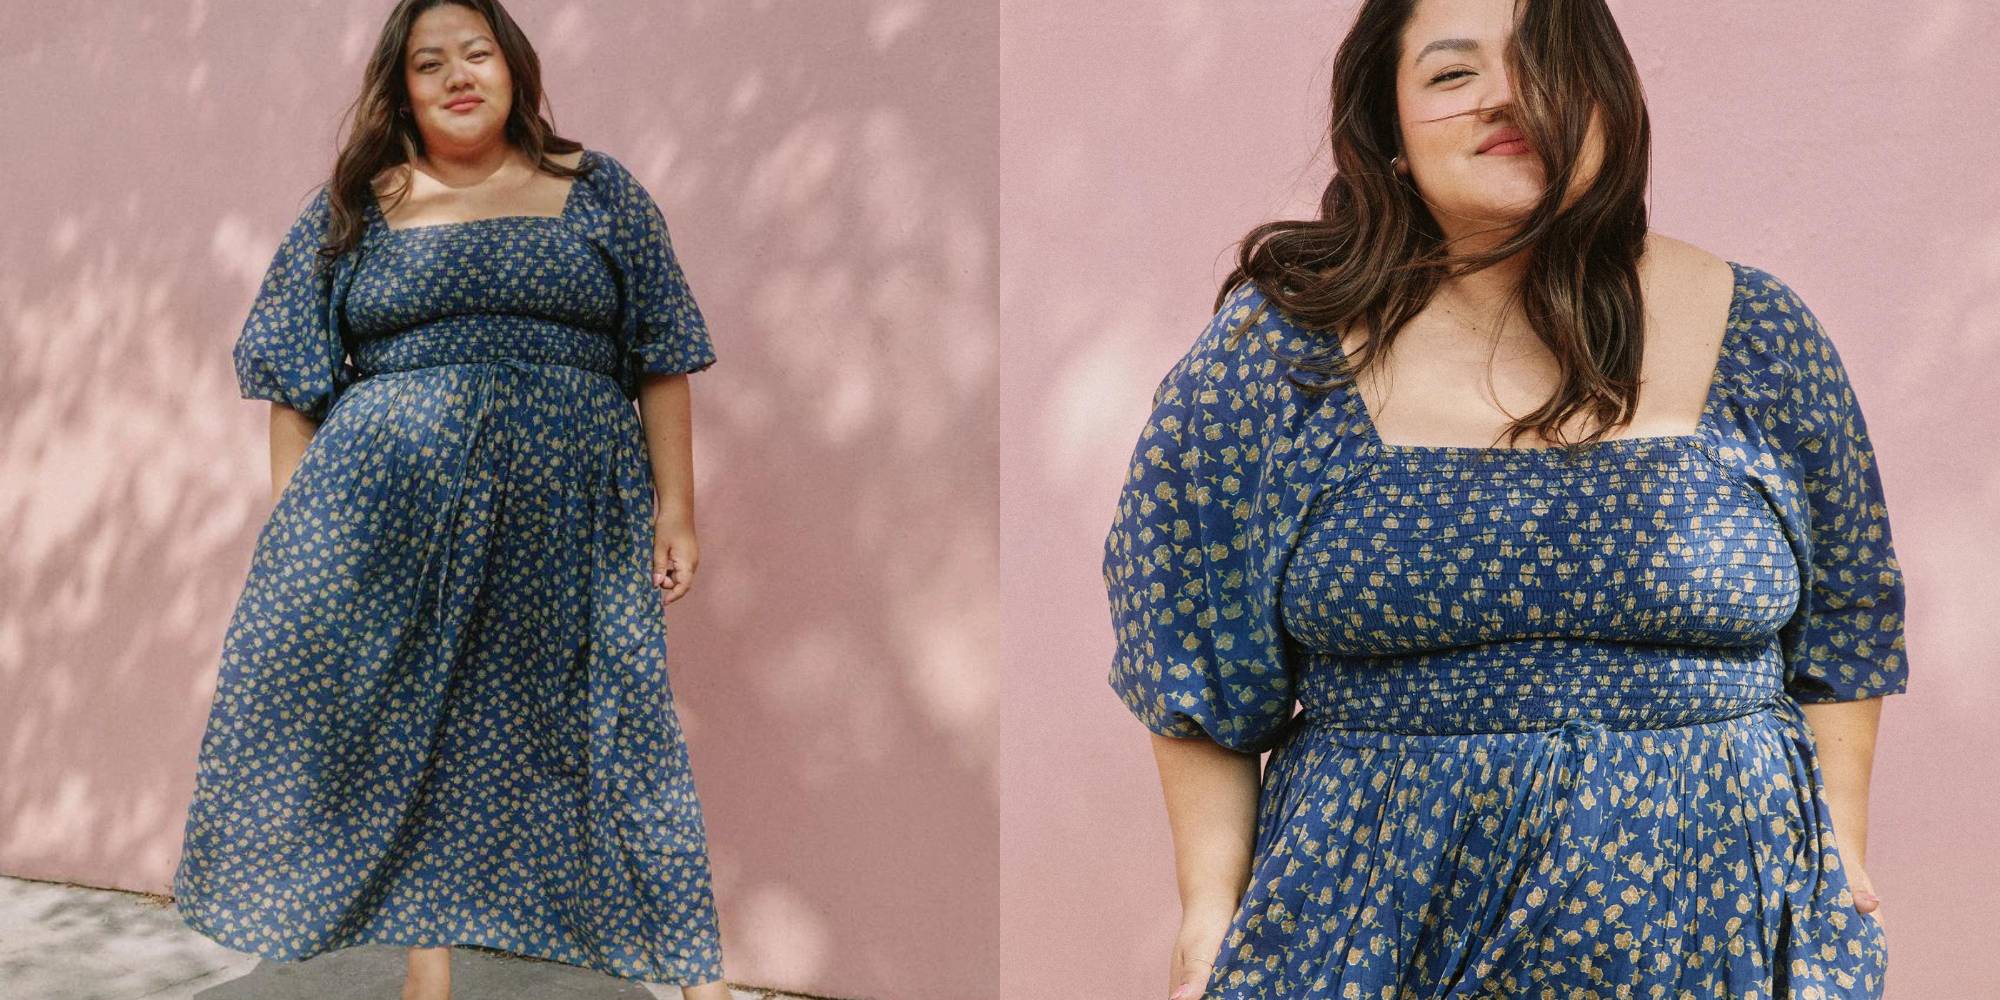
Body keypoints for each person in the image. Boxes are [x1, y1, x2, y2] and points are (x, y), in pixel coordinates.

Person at [1102, 0, 1907, 997]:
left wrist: (1838, 853)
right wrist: (1207, 906)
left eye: (1544, 62)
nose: (1504, 96)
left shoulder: (1764, 335)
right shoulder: (1276, 359)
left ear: (1609, 98)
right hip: (1369, 941)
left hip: (1718, 937)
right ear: (1389, 134)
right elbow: (1191, 646)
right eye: (1451, 74)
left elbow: (1846, 623)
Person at [172, 2, 731, 997]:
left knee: (621, 727)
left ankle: (696, 977)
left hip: (572, 521)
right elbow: (294, 380)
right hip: (390, 522)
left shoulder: (599, 192)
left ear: (514, 67)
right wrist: (300, 534)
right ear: (402, 89)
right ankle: (426, 977)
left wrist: (675, 510)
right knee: (413, 737)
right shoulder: (356, 207)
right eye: (430, 63)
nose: (457, 76)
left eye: (476, 53)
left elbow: (662, 354)